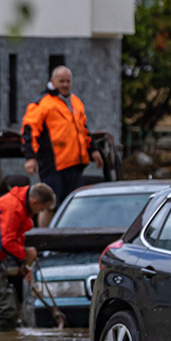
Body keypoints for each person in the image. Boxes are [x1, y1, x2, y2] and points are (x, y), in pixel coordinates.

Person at [0, 183, 57, 332]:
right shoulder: (12, 207)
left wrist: (23, 265)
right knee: (7, 310)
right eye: (42, 208)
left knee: (11, 306)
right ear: (34, 202)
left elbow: (14, 240)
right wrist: (26, 253)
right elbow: (6, 242)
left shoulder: (20, 206)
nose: (41, 212)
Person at [22, 65, 104, 226]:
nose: (65, 84)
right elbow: (29, 130)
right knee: (49, 204)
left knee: (75, 205)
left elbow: (83, 129)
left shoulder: (75, 102)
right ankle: (46, 243)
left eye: (68, 81)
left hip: (74, 164)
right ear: (52, 81)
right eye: (61, 81)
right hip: (53, 165)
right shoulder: (43, 103)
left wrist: (93, 150)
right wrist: (30, 157)